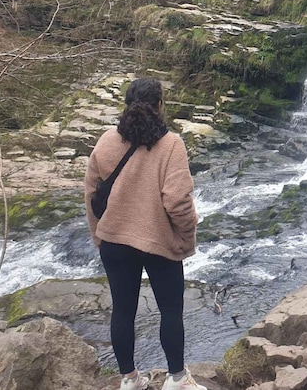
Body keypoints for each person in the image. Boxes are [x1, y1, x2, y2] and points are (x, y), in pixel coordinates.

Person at [85, 77, 207, 390]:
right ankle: (177, 378)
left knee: (122, 311)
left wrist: (98, 234)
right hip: (158, 242)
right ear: (160, 106)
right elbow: (178, 202)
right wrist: (186, 239)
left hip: (114, 239)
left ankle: (129, 380)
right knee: (170, 310)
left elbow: (91, 192)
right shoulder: (171, 145)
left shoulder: (106, 140)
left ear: (127, 105)